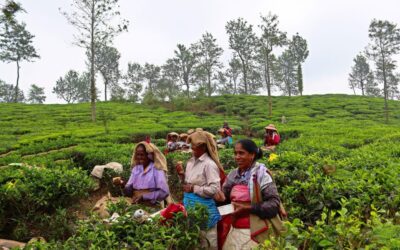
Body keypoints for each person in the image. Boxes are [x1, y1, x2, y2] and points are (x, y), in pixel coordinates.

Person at [220, 139, 283, 250]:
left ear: (252, 155)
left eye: (241, 153)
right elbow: (224, 199)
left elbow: (274, 204)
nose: (237, 157)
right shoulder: (233, 175)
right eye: (235, 153)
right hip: (235, 228)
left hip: (257, 228)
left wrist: (248, 208)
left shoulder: (261, 174)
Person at [182, 130, 225, 250]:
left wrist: (194, 188)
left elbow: (215, 189)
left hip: (205, 211)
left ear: (203, 146)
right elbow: (189, 183)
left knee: (207, 243)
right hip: (191, 208)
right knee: (194, 242)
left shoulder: (209, 164)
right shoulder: (190, 162)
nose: (191, 148)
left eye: (194, 146)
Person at [113, 141, 170, 206]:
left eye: (142, 155)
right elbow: (129, 191)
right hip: (136, 203)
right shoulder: (136, 169)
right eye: (137, 154)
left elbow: (164, 192)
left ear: (149, 155)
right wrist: (121, 183)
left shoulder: (157, 169)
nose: (139, 157)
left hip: (153, 205)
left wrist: (144, 196)